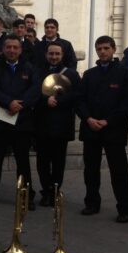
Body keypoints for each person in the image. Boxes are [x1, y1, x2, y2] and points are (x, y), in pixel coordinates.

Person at [76, 36, 128, 221]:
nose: (102, 52)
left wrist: (108, 121)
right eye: (99, 48)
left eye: (106, 48)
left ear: (113, 49)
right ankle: (92, 203)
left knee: (119, 171)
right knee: (91, 170)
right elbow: (80, 100)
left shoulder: (125, 74)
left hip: (113, 130)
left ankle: (125, 209)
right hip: (91, 128)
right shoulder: (89, 74)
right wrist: (88, 118)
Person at [0, 35, 40, 208]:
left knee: (23, 162)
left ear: (20, 50)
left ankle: (26, 195)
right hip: (0, 120)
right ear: (3, 49)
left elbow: (35, 89)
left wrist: (19, 104)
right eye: (9, 47)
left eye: (15, 47)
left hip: (22, 121)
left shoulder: (29, 68)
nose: (12, 50)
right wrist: (8, 102)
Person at [33, 42, 81, 206]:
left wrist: (59, 100)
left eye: (57, 54)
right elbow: (32, 93)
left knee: (59, 160)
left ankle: (54, 190)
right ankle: (45, 190)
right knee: (42, 161)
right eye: (51, 54)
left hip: (62, 124)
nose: (54, 57)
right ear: (46, 54)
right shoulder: (38, 73)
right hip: (42, 123)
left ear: (62, 55)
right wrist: (46, 100)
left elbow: (77, 95)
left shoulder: (72, 74)